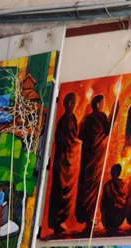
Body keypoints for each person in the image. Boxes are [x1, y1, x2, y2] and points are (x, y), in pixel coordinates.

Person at [77, 94, 115, 229]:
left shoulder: (88, 118)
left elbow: (80, 135)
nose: (104, 105)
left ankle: (85, 216)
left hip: (86, 157)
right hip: (96, 157)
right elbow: (107, 130)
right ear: (98, 104)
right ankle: (89, 218)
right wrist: (114, 111)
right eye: (103, 103)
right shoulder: (101, 117)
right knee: (93, 187)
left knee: (85, 186)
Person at [48, 92, 79, 235]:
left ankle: (57, 221)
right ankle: (58, 221)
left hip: (61, 160)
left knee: (58, 190)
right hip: (65, 161)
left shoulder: (64, 119)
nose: (74, 105)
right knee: (61, 190)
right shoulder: (68, 119)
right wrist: (79, 143)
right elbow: (71, 140)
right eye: (74, 102)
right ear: (69, 103)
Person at [100, 164, 127, 235]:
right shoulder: (123, 183)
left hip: (109, 214)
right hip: (119, 213)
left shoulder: (107, 185)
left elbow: (104, 201)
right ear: (119, 173)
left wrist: (102, 209)